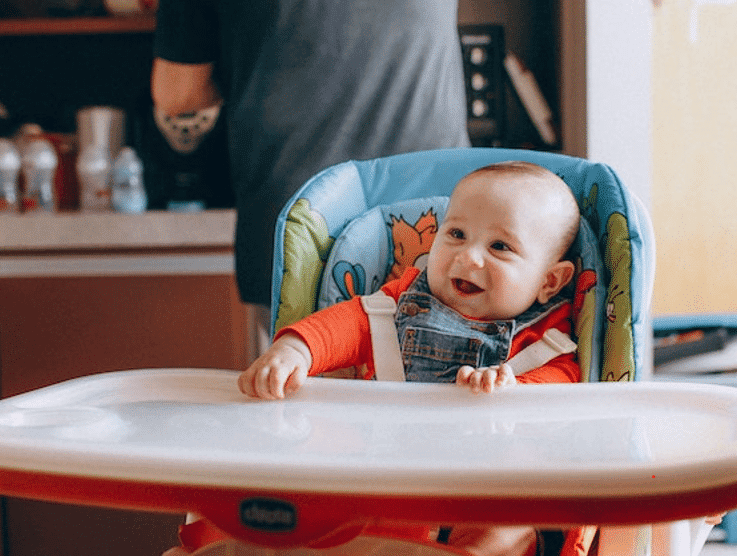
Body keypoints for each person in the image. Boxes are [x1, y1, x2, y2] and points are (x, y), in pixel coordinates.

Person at [239, 161, 582, 556]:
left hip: (491, 491)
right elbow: (346, 325)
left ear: (549, 281)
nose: (468, 257)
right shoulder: (398, 306)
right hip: (386, 482)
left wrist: (515, 390)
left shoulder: (548, 338)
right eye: (456, 234)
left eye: (500, 246)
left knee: (511, 527)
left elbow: (565, 381)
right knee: (326, 513)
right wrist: (295, 350)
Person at [151, 0, 471, 353]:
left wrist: (249, 66)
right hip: (442, 218)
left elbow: (179, 93)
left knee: (308, 390)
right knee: (447, 391)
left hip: (305, 227)